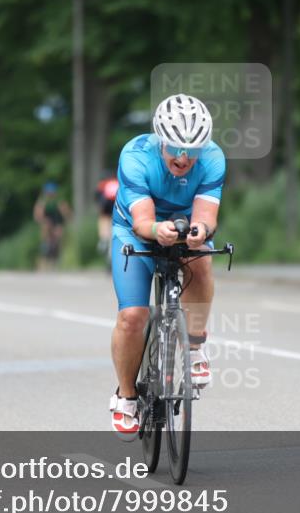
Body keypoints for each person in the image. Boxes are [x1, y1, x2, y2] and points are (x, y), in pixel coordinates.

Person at [108, 93, 225, 440]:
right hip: (136, 232)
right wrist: (157, 230)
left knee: (201, 258)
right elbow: (143, 221)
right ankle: (126, 395)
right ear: (161, 140)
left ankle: (194, 344)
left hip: (182, 227)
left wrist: (199, 232)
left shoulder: (214, 159)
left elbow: (206, 218)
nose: (184, 158)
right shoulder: (135, 156)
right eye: (175, 148)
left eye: (194, 149)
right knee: (132, 317)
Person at [33, 182, 71, 270]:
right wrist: (42, 220)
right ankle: (45, 246)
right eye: (49, 193)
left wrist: (67, 218)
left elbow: (65, 211)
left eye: (52, 193)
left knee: (59, 233)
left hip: (57, 220)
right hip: (47, 219)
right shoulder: (42, 201)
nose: (50, 195)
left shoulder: (59, 200)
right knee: (45, 227)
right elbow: (38, 214)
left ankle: (58, 254)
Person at [95, 170, 120, 260]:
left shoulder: (102, 184)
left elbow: (97, 199)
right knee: (112, 231)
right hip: (115, 207)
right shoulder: (118, 183)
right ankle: (110, 246)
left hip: (105, 207)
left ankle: (103, 238)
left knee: (103, 220)